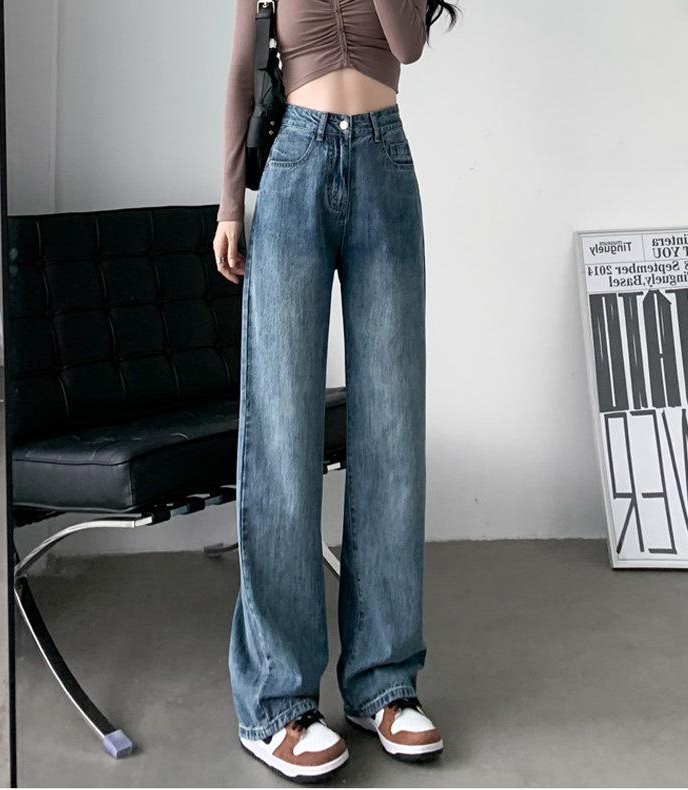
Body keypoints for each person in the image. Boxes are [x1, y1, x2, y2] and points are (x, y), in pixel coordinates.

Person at [213, 0, 458, 781]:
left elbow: (407, 45)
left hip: (386, 164)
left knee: (391, 434)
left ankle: (383, 683)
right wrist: (230, 204)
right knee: (282, 435)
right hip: (294, 165)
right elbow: (241, 76)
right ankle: (277, 701)